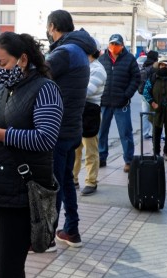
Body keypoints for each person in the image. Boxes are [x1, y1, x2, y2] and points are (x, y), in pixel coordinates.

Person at [0, 32, 63, 278]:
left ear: (22, 59)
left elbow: (45, 138)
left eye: (3, 63)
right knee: (4, 262)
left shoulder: (45, 89)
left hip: (21, 193)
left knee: (9, 269)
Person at [46, 10, 97, 249]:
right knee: (65, 180)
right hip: (72, 126)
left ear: (53, 26)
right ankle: (71, 230)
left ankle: (46, 238)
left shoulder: (64, 52)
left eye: (48, 29)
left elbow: (35, 75)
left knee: (53, 183)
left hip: (57, 129)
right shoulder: (79, 50)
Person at [98, 34, 140, 173]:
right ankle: (101, 157)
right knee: (101, 132)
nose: (114, 47)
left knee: (125, 132)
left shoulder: (129, 59)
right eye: (112, 44)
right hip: (104, 102)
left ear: (122, 45)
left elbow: (136, 78)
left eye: (117, 44)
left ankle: (128, 160)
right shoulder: (102, 59)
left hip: (121, 103)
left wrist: (126, 95)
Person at [73, 38, 107, 196]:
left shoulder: (98, 70)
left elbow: (86, 91)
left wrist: (70, 90)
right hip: (78, 110)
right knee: (74, 149)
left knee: (90, 149)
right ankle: (73, 179)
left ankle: (91, 181)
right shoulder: (82, 66)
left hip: (90, 111)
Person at [143, 60, 167, 161]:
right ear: (159, 66)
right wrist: (153, 103)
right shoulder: (153, 78)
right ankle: (156, 153)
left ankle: (166, 152)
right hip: (157, 110)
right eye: (162, 65)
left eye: (166, 65)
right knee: (156, 133)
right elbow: (146, 92)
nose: (164, 67)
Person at [138, 51, 159, 140]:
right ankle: (156, 133)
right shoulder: (155, 67)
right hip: (153, 95)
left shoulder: (144, 66)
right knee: (156, 114)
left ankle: (145, 133)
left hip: (143, 94)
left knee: (145, 114)